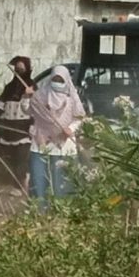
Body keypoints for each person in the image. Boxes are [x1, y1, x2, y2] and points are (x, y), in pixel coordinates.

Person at [29, 64, 86, 200]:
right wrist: (26, 97)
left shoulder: (72, 98)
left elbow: (80, 118)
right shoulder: (39, 96)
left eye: (61, 80)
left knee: (63, 184)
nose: (57, 83)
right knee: (39, 182)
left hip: (64, 146)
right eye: (55, 79)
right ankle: (40, 214)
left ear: (67, 80)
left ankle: (62, 215)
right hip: (41, 144)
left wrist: (70, 129)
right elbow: (27, 110)